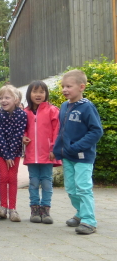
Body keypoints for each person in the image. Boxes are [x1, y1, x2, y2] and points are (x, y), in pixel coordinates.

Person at [53, 70, 103, 235]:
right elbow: (62, 131)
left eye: (69, 86)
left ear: (81, 87)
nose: (64, 89)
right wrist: (56, 150)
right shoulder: (64, 106)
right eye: (63, 86)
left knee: (83, 188)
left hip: (83, 157)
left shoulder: (87, 107)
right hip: (68, 156)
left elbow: (96, 131)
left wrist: (77, 146)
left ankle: (89, 221)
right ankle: (81, 213)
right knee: (71, 188)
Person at [23, 80, 61, 224]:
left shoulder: (53, 110)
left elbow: (57, 132)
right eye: (35, 91)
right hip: (32, 154)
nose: (38, 94)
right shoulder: (25, 112)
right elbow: (23, 129)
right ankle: (34, 210)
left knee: (46, 182)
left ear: (46, 94)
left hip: (48, 153)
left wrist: (53, 149)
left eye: (41, 91)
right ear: (29, 94)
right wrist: (23, 137)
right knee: (33, 182)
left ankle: (45, 210)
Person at [0, 85, 27, 222]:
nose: (3, 100)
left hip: (15, 153)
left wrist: (11, 155)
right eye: (1, 98)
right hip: (1, 153)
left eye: (7, 97)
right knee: (3, 177)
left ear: (16, 99)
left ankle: (13, 208)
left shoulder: (22, 114)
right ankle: (3, 207)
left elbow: (19, 135)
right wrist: (6, 155)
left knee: (12, 178)